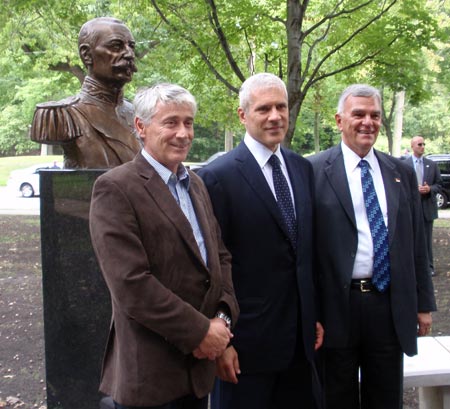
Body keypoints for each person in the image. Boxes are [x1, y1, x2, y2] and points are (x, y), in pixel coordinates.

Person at [89, 83, 239, 409]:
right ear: (141, 127)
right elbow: (131, 284)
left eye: (189, 122)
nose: (183, 133)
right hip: (150, 376)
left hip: (198, 373)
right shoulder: (116, 188)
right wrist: (201, 332)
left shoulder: (195, 183)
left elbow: (219, 259)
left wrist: (223, 321)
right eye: (170, 122)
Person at [198, 73, 324, 409]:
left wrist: (314, 314)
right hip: (245, 349)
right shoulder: (216, 177)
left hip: (300, 346)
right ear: (243, 115)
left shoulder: (301, 168)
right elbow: (210, 268)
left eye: (281, 107)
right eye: (264, 108)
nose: (275, 116)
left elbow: (304, 253)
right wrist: (221, 343)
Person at [307, 84, 437, 409]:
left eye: (375, 115)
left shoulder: (401, 173)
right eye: (359, 114)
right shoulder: (312, 171)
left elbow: (415, 244)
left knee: (386, 397)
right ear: (339, 120)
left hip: (388, 307)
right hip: (337, 308)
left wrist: (423, 304)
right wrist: (310, 312)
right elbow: (304, 251)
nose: (368, 122)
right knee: (336, 397)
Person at [30, 17, 141, 169]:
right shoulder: (61, 115)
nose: (129, 54)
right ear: (87, 55)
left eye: (131, 47)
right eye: (116, 46)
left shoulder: (139, 114)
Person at [404, 136, 443, 276]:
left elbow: (439, 185)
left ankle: (429, 267)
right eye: (420, 144)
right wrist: (414, 189)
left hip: (427, 207)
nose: (422, 147)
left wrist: (430, 189)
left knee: (426, 239)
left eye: (424, 144)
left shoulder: (432, 165)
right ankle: (412, 267)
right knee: (410, 238)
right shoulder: (404, 164)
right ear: (413, 146)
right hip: (410, 208)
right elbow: (399, 184)